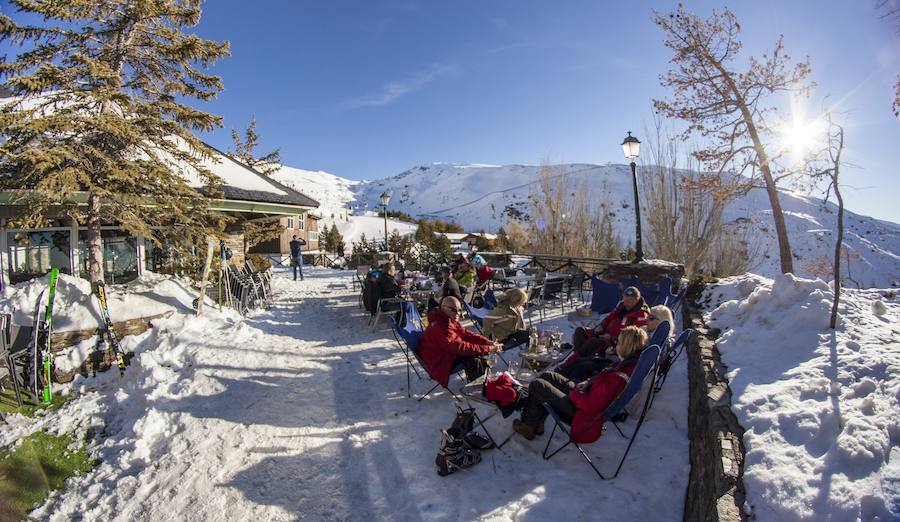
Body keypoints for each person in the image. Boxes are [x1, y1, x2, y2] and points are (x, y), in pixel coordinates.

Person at [512, 326, 649, 441]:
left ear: (627, 346)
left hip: (582, 413)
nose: (616, 345)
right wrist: (588, 382)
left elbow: (591, 406)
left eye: (619, 343)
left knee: (538, 385)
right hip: (586, 394)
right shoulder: (627, 364)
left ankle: (529, 426)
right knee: (549, 376)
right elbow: (601, 385)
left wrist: (574, 393)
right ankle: (537, 422)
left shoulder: (620, 377)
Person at [419, 297, 502, 386]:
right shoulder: (440, 326)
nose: (458, 313)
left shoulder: (447, 319)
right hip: (439, 363)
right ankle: (479, 386)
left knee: (476, 352)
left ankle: (484, 382)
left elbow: (465, 334)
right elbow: (459, 347)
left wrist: (486, 342)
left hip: (446, 354)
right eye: (453, 310)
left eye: (459, 310)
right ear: (443, 307)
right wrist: (488, 349)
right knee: (472, 357)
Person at [571, 286, 648, 357]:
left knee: (592, 342)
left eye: (627, 301)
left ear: (635, 300)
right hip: (604, 334)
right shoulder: (622, 307)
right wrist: (602, 326)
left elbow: (633, 340)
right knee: (580, 331)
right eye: (624, 300)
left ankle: (577, 358)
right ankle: (578, 356)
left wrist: (611, 338)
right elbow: (609, 318)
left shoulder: (641, 316)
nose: (624, 303)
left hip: (616, 344)